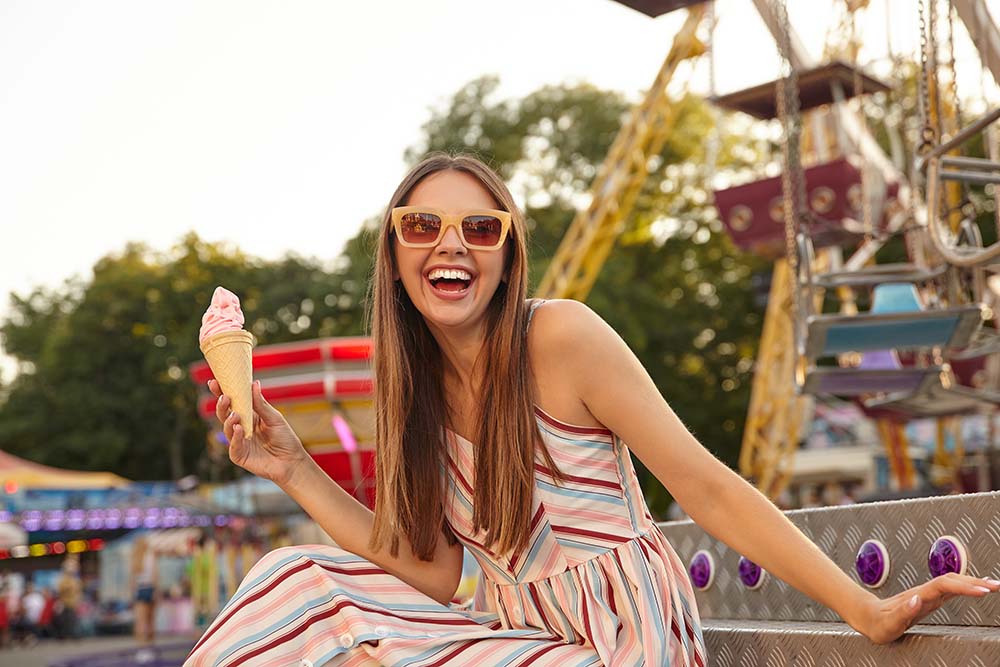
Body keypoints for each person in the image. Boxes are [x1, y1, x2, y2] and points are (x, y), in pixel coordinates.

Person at [185, 153, 1000, 666]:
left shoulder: (562, 338)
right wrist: (295, 469)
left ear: (507, 258)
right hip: (519, 636)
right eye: (422, 225)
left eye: (480, 227)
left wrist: (866, 608)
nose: (451, 243)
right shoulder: (412, 397)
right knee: (295, 578)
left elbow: (706, 488)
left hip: (627, 639)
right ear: (395, 257)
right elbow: (434, 570)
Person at [130, 535, 158, 644]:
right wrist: (156, 590)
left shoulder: (135, 557)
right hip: (150, 587)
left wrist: (133, 592)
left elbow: (132, 578)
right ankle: (150, 642)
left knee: (140, 619)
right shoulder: (150, 556)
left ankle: (140, 643)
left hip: (140, 589)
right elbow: (155, 575)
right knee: (150, 619)